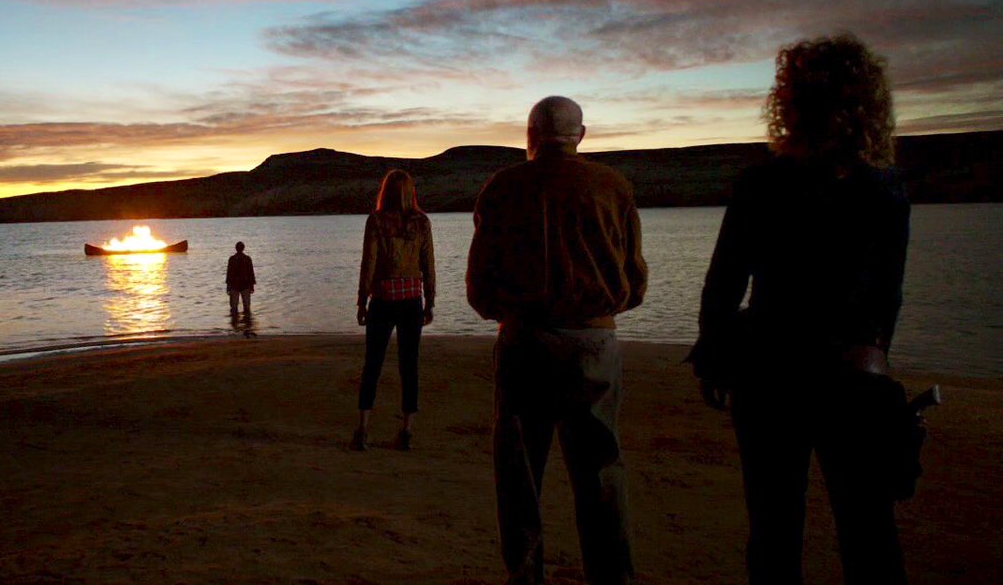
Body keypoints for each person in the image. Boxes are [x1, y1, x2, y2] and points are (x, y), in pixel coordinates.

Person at [689, 34, 911, 584]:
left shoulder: (762, 181)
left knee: (773, 526)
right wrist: (874, 353)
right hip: (850, 372)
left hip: (769, 368)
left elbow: (724, 283)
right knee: (868, 528)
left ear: (790, 101)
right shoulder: (883, 187)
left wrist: (714, 357)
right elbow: (888, 294)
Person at [467, 96, 647, 585]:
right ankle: (612, 577)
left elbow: (479, 285)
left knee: (520, 474)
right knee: (601, 471)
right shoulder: (613, 186)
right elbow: (635, 279)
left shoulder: (502, 188)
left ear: (529, 136)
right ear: (580, 135)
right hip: (593, 342)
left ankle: (525, 576)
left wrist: (508, 314)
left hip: (525, 341)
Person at [351, 169, 435, 452]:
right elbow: (428, 264)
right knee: (409, 366)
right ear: (410, 193)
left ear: (384, 192)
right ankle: (406, 432)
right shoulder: (421, 223)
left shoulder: (375, 221)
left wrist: (362, 300)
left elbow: (369, 262)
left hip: (383, 299)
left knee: (372, 364)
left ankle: (363, 430)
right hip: (411, 299)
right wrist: (430, 300)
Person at [226, 241, 256, 316]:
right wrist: (252, 285)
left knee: (234, 308)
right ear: (243, 248)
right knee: (246, 307)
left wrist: (228, 286)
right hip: (244, 285)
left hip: (235, 285)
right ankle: (247, 324)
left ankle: (235, 324)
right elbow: (251, 273)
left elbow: (229, 273)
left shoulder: (232, 259)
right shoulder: (247, 259)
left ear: (236, 248)